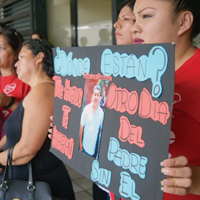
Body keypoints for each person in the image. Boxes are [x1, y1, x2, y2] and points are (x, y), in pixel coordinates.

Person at [131, 0, 200, 199]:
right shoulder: (134, 74)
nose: (134, 28)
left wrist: (194, 179)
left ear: (184, 22)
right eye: (135, 19)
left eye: (146, 16)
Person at [0, 39, 75, 200]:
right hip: (29, 179)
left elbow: (27, 149)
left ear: (39, 57)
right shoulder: (38, 90)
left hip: (38, 183)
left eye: (21, 57)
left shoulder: (43, 91)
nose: (16, 64)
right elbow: (16, 133)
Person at [0, 28, 30, 141]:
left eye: (1, 48)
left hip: (16, 143)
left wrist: (8, 102)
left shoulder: (25, 81)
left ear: (16, 53)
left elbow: (34, 116)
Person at [79, 84, 104, 158]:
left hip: (93, 151)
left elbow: (102, 130)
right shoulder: (86, 109)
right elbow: (81, 126)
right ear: (92, 95)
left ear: (100, 97)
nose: (96, 97)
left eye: (98, 95)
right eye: (95, 94)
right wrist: (80, 143)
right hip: (84, 147)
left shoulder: (101, 113)